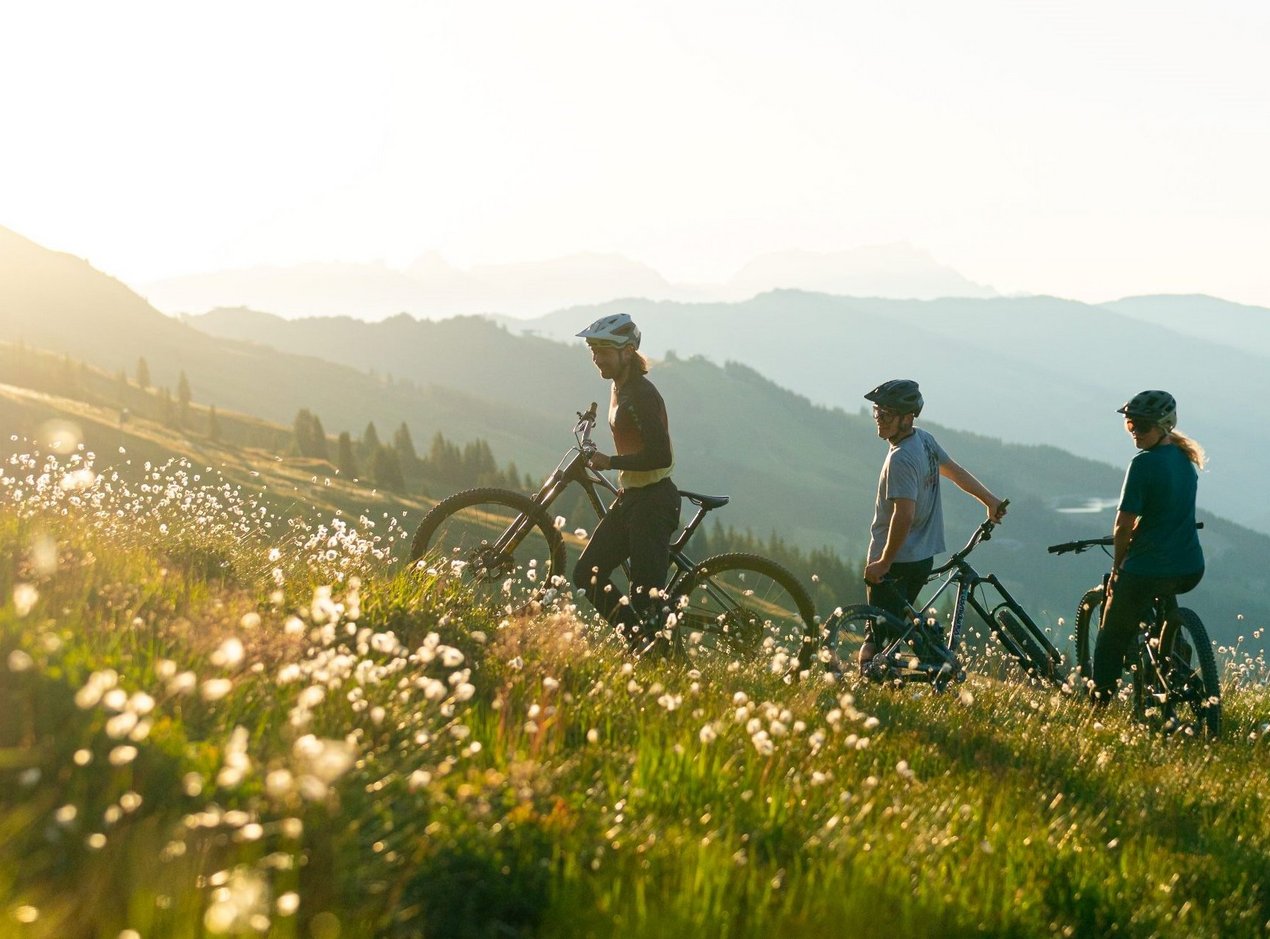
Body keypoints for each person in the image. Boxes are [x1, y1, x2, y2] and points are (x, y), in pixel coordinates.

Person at [860, 379, 1007, 671]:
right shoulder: (924, 441)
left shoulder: (901, 459)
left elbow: (904, 514)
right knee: (899, 627)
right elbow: (954, 471)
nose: (880, 421)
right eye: (878, 413)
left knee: (875, 639)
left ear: (907, 418)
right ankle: (933, 664)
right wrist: (989, 500)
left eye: (886, 415)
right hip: (921, 559)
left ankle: (863, 688)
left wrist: (884, 562)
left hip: (895, 560)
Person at [571, 313, 679, 653]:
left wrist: (612, 462)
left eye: (603, 351)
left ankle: (654, 654)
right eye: (593, 351)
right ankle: (640, 645)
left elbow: (660, 456)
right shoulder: (619, 386)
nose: (596, 359)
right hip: (633, 496)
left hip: (653, 503)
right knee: (587, 573)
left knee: (646, 600)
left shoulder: (641, 395)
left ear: (628, 351)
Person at [1091, 390, 1205, 704]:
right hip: (1190, 567)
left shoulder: (1143, 464)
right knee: (1162, 599)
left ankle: (1096, 707)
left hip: (1147, 569)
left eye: (1142, 427)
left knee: (1112, 635)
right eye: (1131, 426)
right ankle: (1174, 660)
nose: (1135, 434)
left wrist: (1118, 567)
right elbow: (1165, 509)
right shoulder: (1185, 458)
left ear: (1164, 426)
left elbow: (1123, 526)